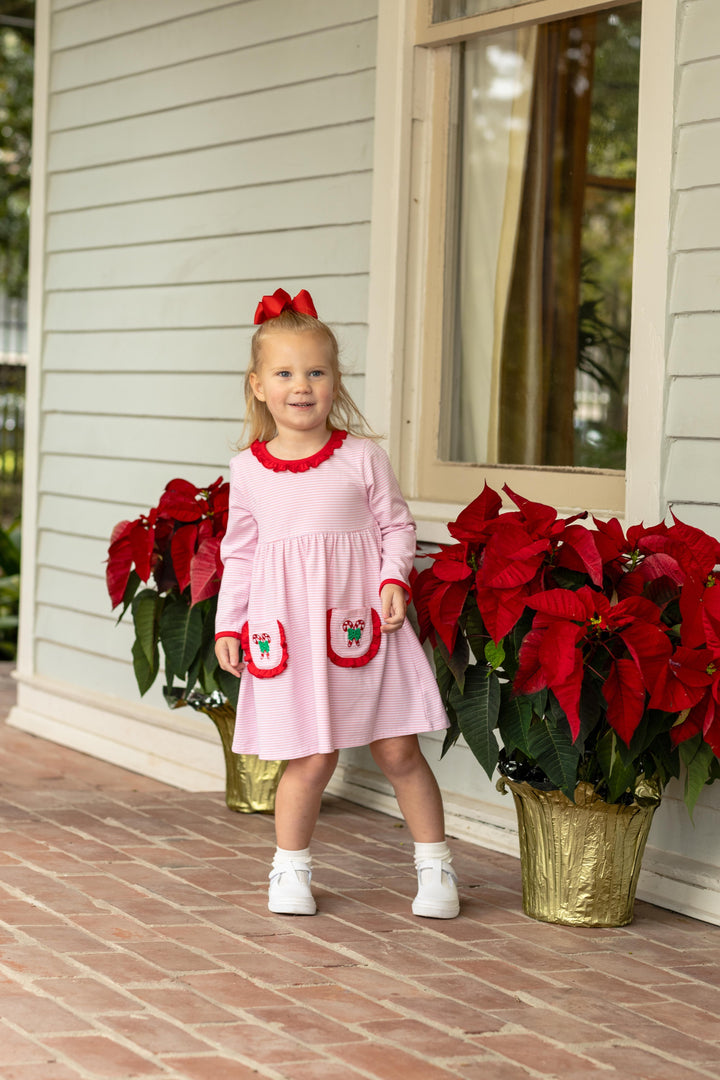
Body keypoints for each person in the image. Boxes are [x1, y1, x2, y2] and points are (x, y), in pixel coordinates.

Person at [215, 287, 459, 920]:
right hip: (289, 632)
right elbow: (238, 553)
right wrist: (230, 624)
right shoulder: (248, 470)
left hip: (363, 624)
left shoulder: (361, 457)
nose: (302, 385)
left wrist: (393, 580)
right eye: (286, 373)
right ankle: (289, 871)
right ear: (259, 385)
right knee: (312, 755)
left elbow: (396, 527)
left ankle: (435, 867)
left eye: (316, 372)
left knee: (398, 749)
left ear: (335, 381)